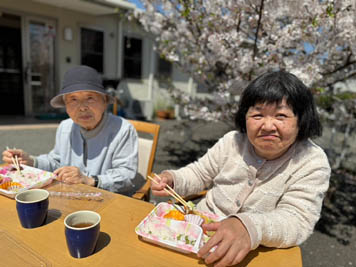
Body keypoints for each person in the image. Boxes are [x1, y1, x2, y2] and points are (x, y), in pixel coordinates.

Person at [151, 70, 331, 267]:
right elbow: (199, 173)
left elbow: (296, 220)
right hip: (197, 230)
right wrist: (174, 179)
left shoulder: (312, 161)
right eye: (258, 114)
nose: (268, 125)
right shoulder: (232, 142)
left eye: (281, 116)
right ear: (245, 117)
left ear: (301, 120)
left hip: (255, 251)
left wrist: (248, 226)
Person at [2, 65, 139, 195]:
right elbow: (56, 161)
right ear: (66, 106)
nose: (82, 107)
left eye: (90, 98)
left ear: (104, 102)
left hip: (111, 199)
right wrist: (30, 160)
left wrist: (90, 180)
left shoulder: (123, 129)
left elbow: (127, 175)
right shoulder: (65, 127)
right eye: (73, 99)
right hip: (72, 197)